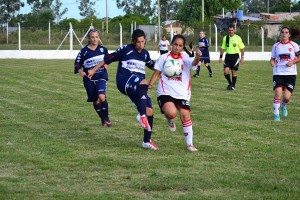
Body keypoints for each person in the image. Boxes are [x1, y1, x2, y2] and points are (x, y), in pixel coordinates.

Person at [88, 29, 158, 150]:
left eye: (143, 42)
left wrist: (167, 68)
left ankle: (147, 141)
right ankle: (141, 116)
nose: (141, 44)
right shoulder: (126, 49)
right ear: (133, 41)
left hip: (138, 86)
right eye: (138, 42)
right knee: (143, 82)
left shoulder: (145, 54)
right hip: (124, 81)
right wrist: (93, 70)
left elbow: (153, 66)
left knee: (150, 111)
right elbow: (107, 59)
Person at [148, 34, 202, 152]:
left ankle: (189, 144)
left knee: (185, 115)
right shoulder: (163, 57)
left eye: (180, 45)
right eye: (175, 44)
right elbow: (157, 73)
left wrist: (197, 56)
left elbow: (193, 63)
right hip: (165, 91)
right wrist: (150, 85)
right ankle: (170, 120)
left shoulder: (185, 57)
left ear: (183, 47)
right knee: (171, 113)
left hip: (182, 93)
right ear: (171, 44)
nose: (177, 47)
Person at [74, 29, 112, 127]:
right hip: (89, 79)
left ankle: (107, 118)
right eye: (92, 37)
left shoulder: (103, 50)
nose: (95, 39)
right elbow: (77, 63)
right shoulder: (83, 52)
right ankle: (103, 119)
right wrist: (80, 71)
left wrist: (106, 64)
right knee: (95, 101)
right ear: (89, 38)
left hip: (101, 76)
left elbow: (107, 60)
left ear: (99, 38)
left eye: (96, 37)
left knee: (101, 96)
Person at [270, 27, 300, 121]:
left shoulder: (294, 45)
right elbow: (273, 58)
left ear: (289, 35)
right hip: (278, 73)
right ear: (280, 34)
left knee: (286, 97)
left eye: (286, 32)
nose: (284, 34)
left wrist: (292, 62)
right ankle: (276, 114)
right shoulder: (276, 46)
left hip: (291, 74)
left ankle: (283, 106)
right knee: (278, 93)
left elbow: (299, 57)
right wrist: (272, 62)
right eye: (282, 32)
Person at [219, 24, 245, 90]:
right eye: (229, 30)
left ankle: (233, 86)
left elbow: (242, 49)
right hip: (228, 56)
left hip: (235, 56)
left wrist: (242, 57)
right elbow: (222, 48)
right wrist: (220, 57)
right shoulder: (226, 38)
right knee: (226, 71)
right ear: (228, 30)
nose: (231, 31)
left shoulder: (238, 38)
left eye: (232, 30)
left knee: (234, 72)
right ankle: (230, 83)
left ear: (234, 30)